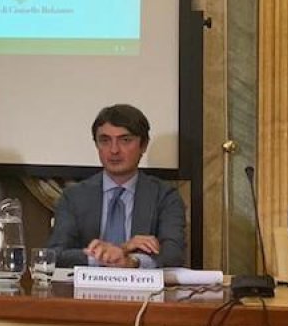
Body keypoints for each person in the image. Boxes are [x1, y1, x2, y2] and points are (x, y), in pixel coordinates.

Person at [44, 104, 186, 267]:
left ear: (144, 145)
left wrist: (131, 261)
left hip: (140, 282)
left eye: (125, 140)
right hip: (87, 283)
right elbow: (56, 254)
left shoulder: (165, 196)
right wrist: (115, 252)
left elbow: (174, 253)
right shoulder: (73, 196)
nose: (114, 150)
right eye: (105, 140)